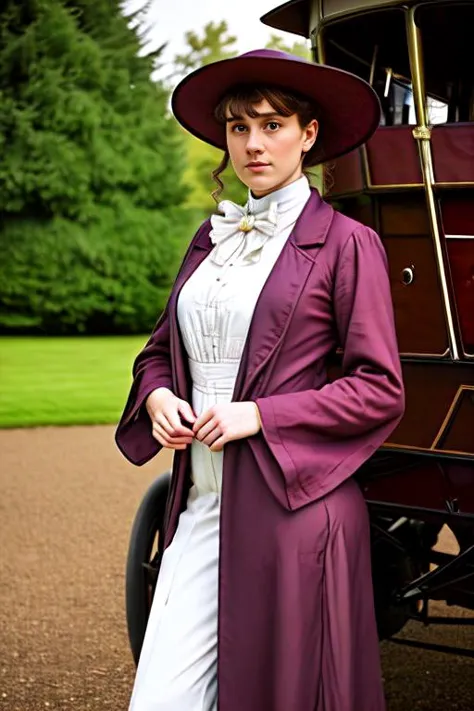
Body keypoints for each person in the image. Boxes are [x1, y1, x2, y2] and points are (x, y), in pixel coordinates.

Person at [115, 49, 405, 711]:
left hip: (291, 509)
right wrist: (159, 395)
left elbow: (379, 386)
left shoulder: (346, 243)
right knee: (162, 697)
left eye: (273, 125)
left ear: (308, 134)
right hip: (200, 502)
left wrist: (260, 415)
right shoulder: (209, 238)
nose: (253, 143)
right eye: (239, 127)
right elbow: (159, 352)